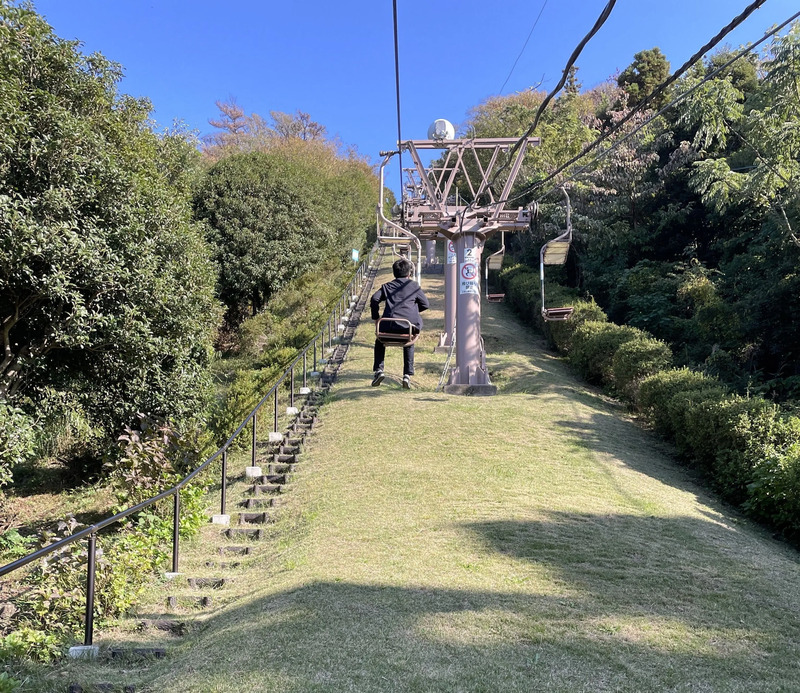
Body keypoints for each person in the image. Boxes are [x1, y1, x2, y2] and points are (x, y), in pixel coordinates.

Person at [370, 258, 429, 389]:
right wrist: (412, 311)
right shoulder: (414, 287)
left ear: (394, 273)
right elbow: (426, 304)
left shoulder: (387, 286)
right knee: (410, 339)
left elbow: (374, 299)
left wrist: (376, 318)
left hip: (387, 327)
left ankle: (379, 371)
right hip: (406, 328)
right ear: (409, 273)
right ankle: (407, 375)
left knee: (379, 342)